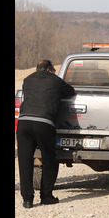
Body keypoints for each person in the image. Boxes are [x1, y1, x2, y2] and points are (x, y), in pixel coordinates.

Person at [17, 59, 76, 209]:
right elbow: (70, 91)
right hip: (44, 123)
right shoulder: (55, 81)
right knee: (49, 160)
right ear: (50, 69)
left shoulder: (27, 80)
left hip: (23, 123)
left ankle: (27, 200)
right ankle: (46, 196)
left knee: (25, 162)